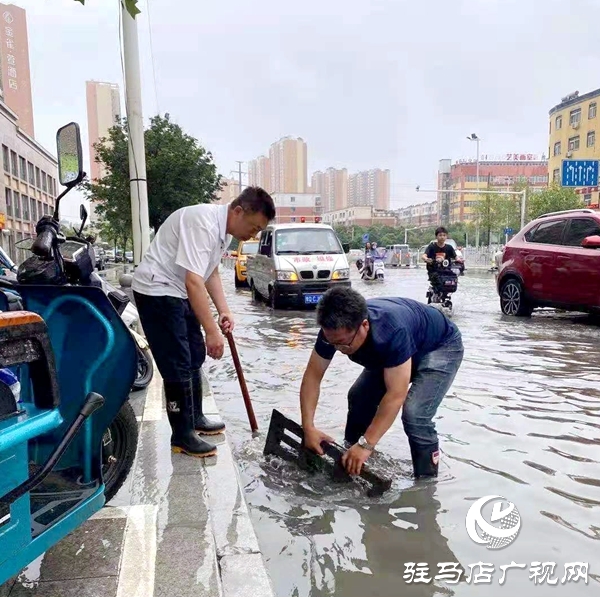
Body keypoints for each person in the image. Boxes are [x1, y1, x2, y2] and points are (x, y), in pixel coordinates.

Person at [132, 187, 276, 458]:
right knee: (177, 363)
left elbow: (209, 274)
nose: (254, 235)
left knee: (194, 353)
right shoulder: (203, 224)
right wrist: (212, 331)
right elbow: (194, 280)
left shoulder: (223, 233)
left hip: (178, 290)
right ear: (238, 211)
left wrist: (224, 311)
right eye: (254, 226)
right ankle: (182, 435)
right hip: (157, 291)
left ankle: (195, 417)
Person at [299, 287, 463, 478]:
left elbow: (395, 395)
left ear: (364, 325)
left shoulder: (391, 332)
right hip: (402, 345)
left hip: (439, 346)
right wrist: (308, 427)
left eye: (343, 344)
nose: (338, 349)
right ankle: (351, 460)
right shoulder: (332, 332)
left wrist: (366, 444)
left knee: (415, 414)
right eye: (333, 344)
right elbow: (312, 377)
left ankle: (425, 483)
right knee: (359, 397)